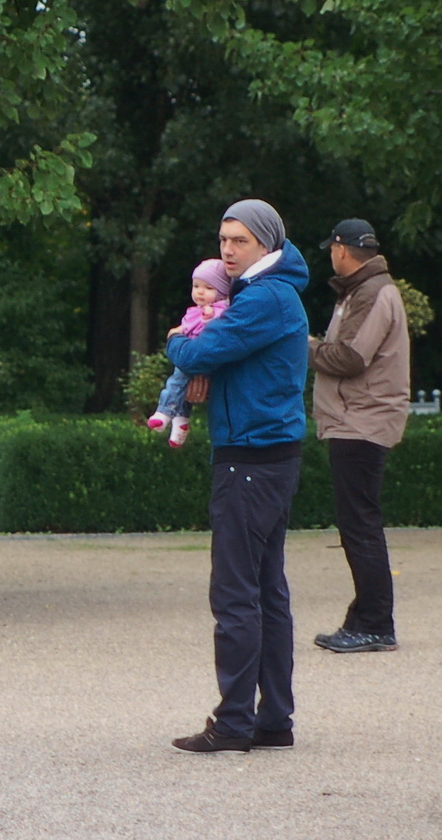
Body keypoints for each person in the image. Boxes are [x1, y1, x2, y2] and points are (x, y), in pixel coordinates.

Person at [165, 200, 309, 753]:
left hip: (249, 460)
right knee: (266, 591)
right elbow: (219, 357)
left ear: (266, 244)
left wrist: (181, 343)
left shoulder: (265, 297)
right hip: (267, 456)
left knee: (236, 594)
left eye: (239, 241)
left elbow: (205, 347)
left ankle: (234, 724)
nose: (227, 250)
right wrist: (206, 365)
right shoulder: (263, 296)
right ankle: (273, 719)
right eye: (223, 240)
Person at [310, 218, 410, 654]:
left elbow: (349, 358)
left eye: (331, 249)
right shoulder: (366, 289)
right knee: (358, 523)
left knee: (360, 524)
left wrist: (300, 343)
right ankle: (365, 616)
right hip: (361, 420)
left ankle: (375, 623)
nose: (331, 255)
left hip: (361, 421)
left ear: (342, 249)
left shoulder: (370, 292)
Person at [147, 259, 233, 448]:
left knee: (177, 379)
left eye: (209, 288)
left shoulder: (220, 311)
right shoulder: (195, 311)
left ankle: (164, 411)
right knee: (182, 387)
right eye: (196, 286)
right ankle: (180, 422)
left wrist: (207, 320)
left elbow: (214, 335)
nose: (200, 292)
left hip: (204, 360)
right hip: (194, 356)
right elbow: (184, 329)